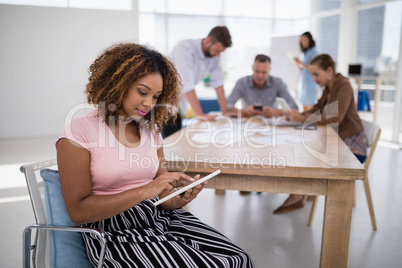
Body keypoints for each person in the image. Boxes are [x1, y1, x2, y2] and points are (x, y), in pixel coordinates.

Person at [56, 43, 255, 267]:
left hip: (159, 217)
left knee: (238, 260)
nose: (148, 103)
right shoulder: (80, 131)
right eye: (142, 92)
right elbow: (78, 212)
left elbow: (162, 192)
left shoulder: (150, 130)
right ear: (117, 83)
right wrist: (145, 191)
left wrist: (177, 198)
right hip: (112, 231)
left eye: (156, 96)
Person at [273, 54, 367, 214]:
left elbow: (335, 117)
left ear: (329, 70)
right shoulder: (330, 87)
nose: (314, 79)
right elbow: (317, 108)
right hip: (338, 141)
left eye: (316, 74)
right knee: (303, 148)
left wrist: (302, 118)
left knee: (307, 152)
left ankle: (299, 193)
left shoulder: (343, 85)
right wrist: (300, 115)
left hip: (352, 149)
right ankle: (299, 193)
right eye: (312, 75)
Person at [163, 26, 236, 137]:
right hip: (164, 103)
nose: (218, 55)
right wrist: (201, 115)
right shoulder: (184, 49)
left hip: (179, 106)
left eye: (220, 52)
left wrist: (225, 112)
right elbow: (186, 84)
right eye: (217, 51)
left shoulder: (214, 57)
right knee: (169, 143)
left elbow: (218, 83)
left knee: (178, 140)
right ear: (208, 41)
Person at [227, 54, 298, 117]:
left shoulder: (278, 83)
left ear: (269, 70)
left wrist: (275, 112)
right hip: (248, 123)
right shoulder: (242, 82)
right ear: (252, 68)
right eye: (257, 71)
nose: (260, 76)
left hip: (272, 126)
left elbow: (294, 107)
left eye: (264, 72)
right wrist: (243, 111)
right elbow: (227, 105)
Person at [293, 32, 319, 111]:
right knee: (304, 108)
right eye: (302, 40)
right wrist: (298, 64)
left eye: (305, 40)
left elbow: (313, 69)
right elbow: (303, 71)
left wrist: (301, 63)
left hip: (310, 84)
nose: (303, 42)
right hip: (304, 84)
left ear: (310, 40)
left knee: (309, 109)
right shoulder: (305, 53)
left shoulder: (314, 52)